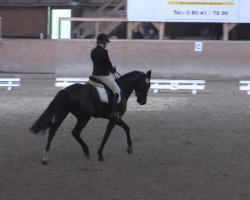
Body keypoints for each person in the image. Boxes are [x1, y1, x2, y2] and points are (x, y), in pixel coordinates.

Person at [90, 33, 121, 121]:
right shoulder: (104, 51)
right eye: (106, 42)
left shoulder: (93, 51)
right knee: (117, 90)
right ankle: (113, 112)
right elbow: (108, 64)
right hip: (103, 75)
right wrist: (113, 70)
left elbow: (99, 63)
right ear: (103, 42)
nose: (107, 44)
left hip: (94, 75)